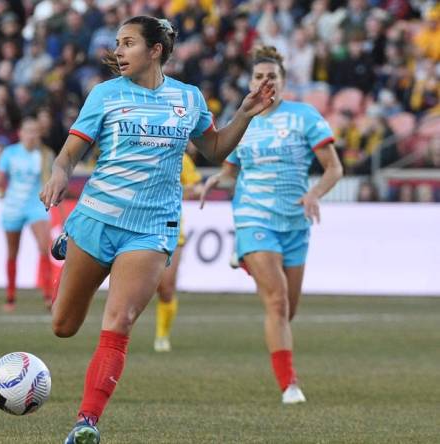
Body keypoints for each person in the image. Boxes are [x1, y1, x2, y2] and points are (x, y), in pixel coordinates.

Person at [40, 16, 275, 443]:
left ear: (155, 50)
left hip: (151, 229)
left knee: (121, 320)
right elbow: (68, 155)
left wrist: (244, 113)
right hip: (96, 219)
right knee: (63, 326)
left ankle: (86, 422)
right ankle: (70, 236)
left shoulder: (188, 99)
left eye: (128, 43)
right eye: (117, 43)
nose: (118, 51)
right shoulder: (105, 95)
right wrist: (59, 175)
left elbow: (215, 148)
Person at [201, 46, 343, 405]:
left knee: (287, 310)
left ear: (283, 82)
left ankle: (247, 262)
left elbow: (334, 168)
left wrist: (314, 194)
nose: (266, 82)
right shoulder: (242, 122)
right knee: (277, 302)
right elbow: (231, 170)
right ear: (251, 83)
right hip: (253, 215)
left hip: (295, 221)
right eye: (260, 77)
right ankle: (289, 385)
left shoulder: (305, 117)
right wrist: (217, 179)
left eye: (272, 77)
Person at [0, 116, 54, 312]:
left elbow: (51, 180)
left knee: (44, 246)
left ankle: (49, 296)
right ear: (20, 133)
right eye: (28, 131)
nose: (31, 135)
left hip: (36, 206)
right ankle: (11, 297)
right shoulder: (10, 153)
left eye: (35, 131)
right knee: (13, 252)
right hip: (13, 206)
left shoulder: (45, 155)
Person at [153, 152, 202, 352]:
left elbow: (196, 187)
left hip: (170, 228)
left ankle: (162, 335)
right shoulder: (140, 149)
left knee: (166, 288)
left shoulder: (181, 157)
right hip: (137, 226)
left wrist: (181, 190)